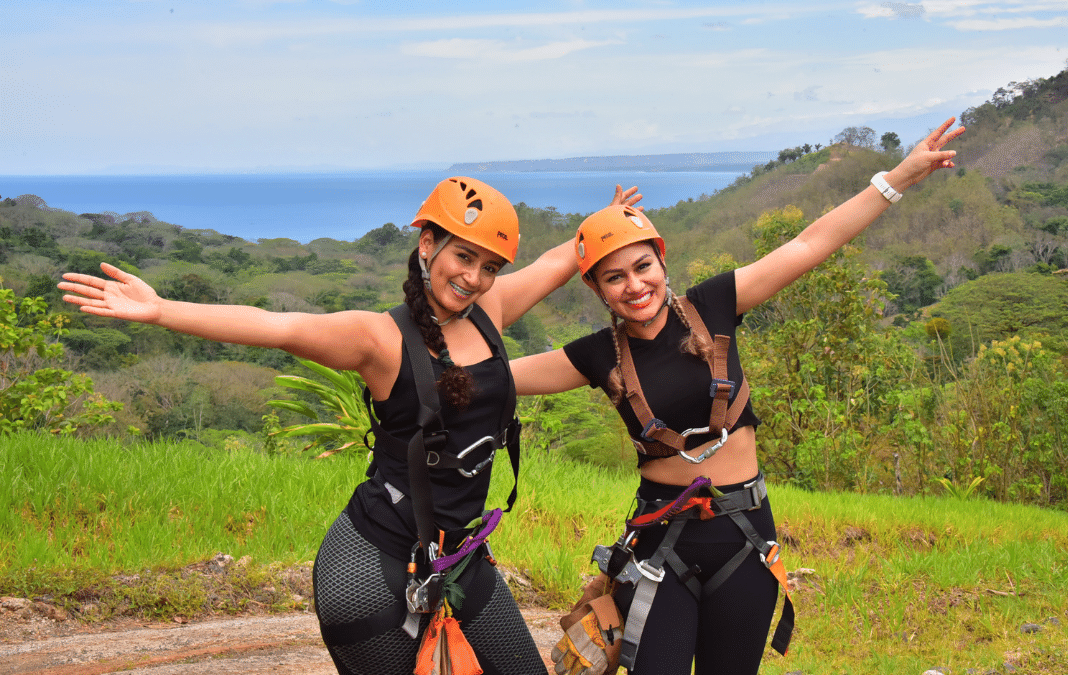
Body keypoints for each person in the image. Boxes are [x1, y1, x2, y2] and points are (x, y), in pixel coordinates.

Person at [58, 176, 641, 675]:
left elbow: (555, 265)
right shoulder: (377, 338)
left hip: (459, 554)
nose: (475, 278)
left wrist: (608, 223)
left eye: (490, 267)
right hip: (370, 566)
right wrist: (161, 310)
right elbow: (276, 324)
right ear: (427, 244)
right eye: (464, 257)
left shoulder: (488, 313)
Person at [511, 118, 965, 675]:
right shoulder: (596, 354)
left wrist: (896, 179)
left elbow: (810, 244)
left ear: (662, 259)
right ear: (595, 288)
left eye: (643, 266)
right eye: (613, 277)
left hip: (744, 536)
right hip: (661, 542)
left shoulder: (714, 305)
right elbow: (491, 374)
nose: (634, 286)